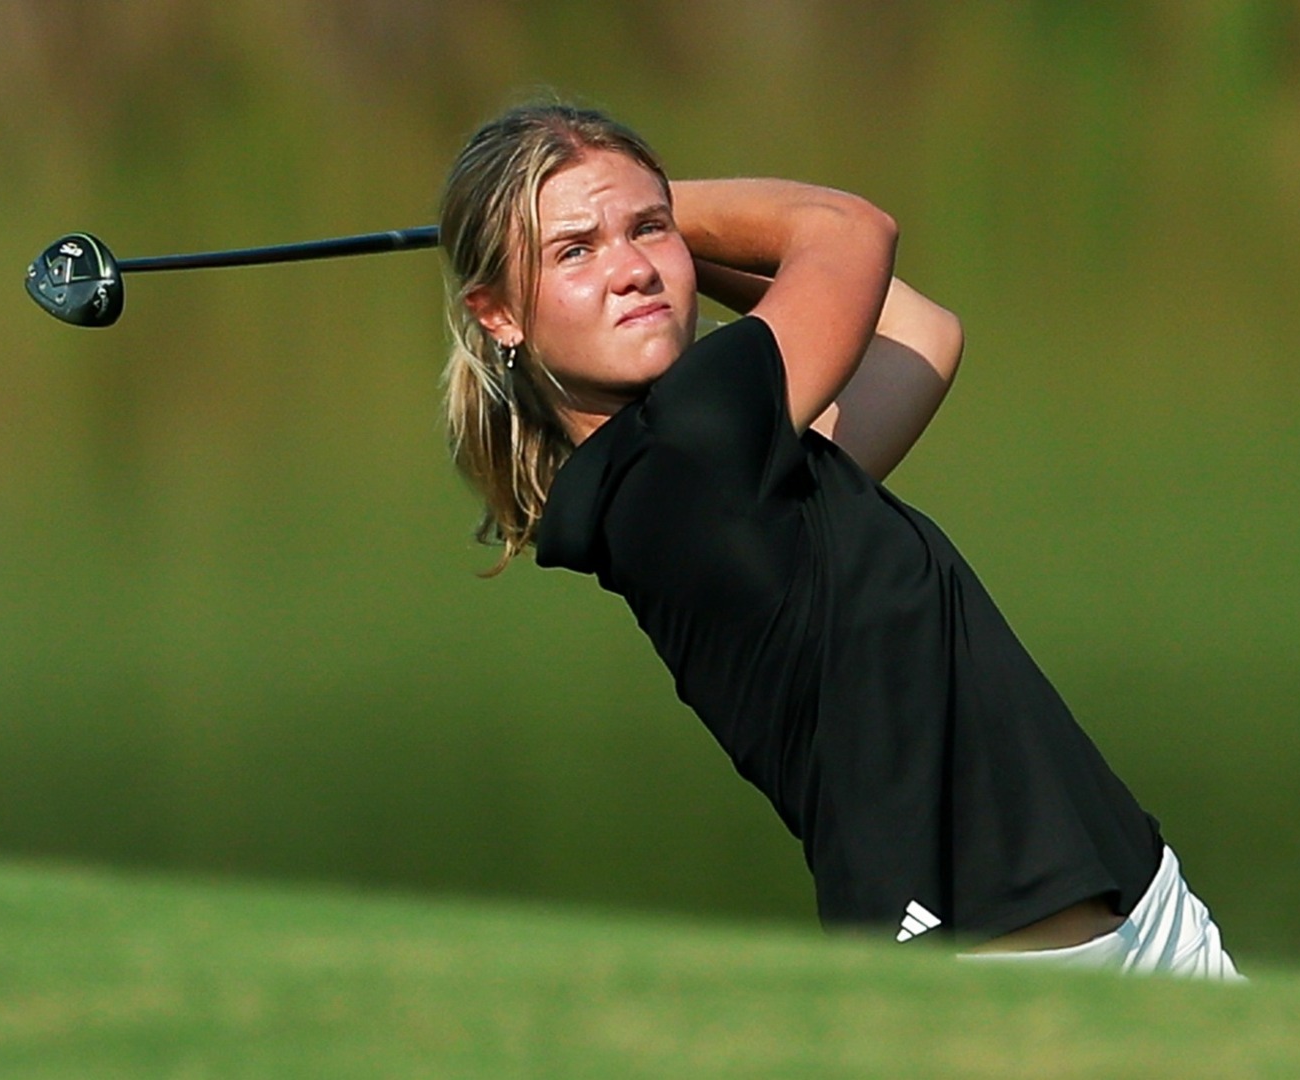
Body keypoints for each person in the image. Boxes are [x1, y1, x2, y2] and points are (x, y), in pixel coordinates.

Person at [437, 100, 1241, 979]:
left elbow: (916, 334)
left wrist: (636, 227)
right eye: (574, 252)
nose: (629, 269)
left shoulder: (706, 467)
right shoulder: (691, 447)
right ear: (500, 315)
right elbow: (847, 229)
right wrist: (662, 206)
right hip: (1002, 952)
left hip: (1139, 901)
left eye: (647, 231)